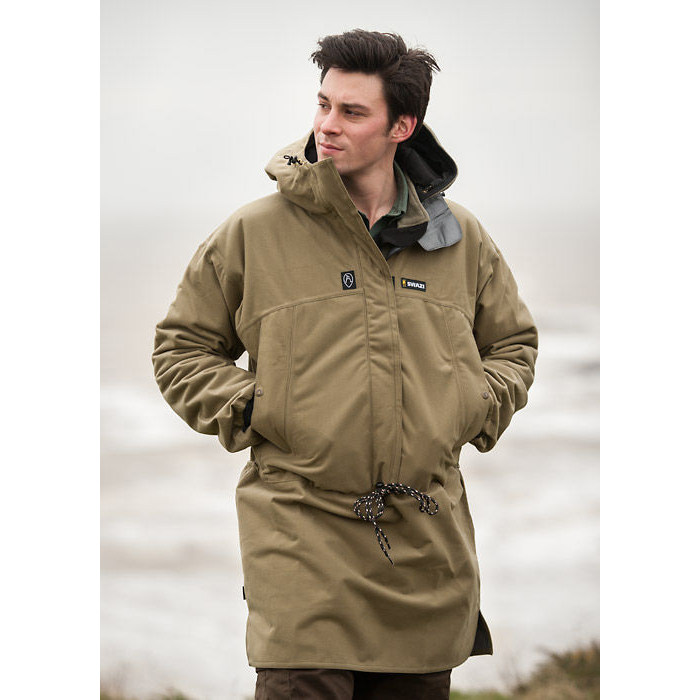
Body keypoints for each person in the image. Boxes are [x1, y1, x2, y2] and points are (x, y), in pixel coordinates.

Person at [153, 29, 538, 700]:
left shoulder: (460, 240)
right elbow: (181, 348)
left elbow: (512, 346)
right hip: (299, 541)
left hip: (425, 552)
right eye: (323, 104)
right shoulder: (254, 233)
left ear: (402, 126)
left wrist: (468, 406)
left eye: (352, 112)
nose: (327, 126)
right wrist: (259, 408)